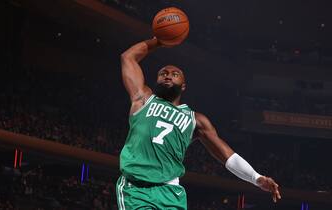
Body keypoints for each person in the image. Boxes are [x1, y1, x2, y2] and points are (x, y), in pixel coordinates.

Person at [116, 38, 281, 210]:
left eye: (175, 74)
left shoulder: (196, 120)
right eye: (163, 72)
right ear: (157, 81)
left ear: (184, 86)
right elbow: (128, 57)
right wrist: (158, 41)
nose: (168, 74)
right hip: (137, 188)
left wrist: (256, 177)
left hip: (171, 191)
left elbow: (227, 155)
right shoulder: (143, 99)